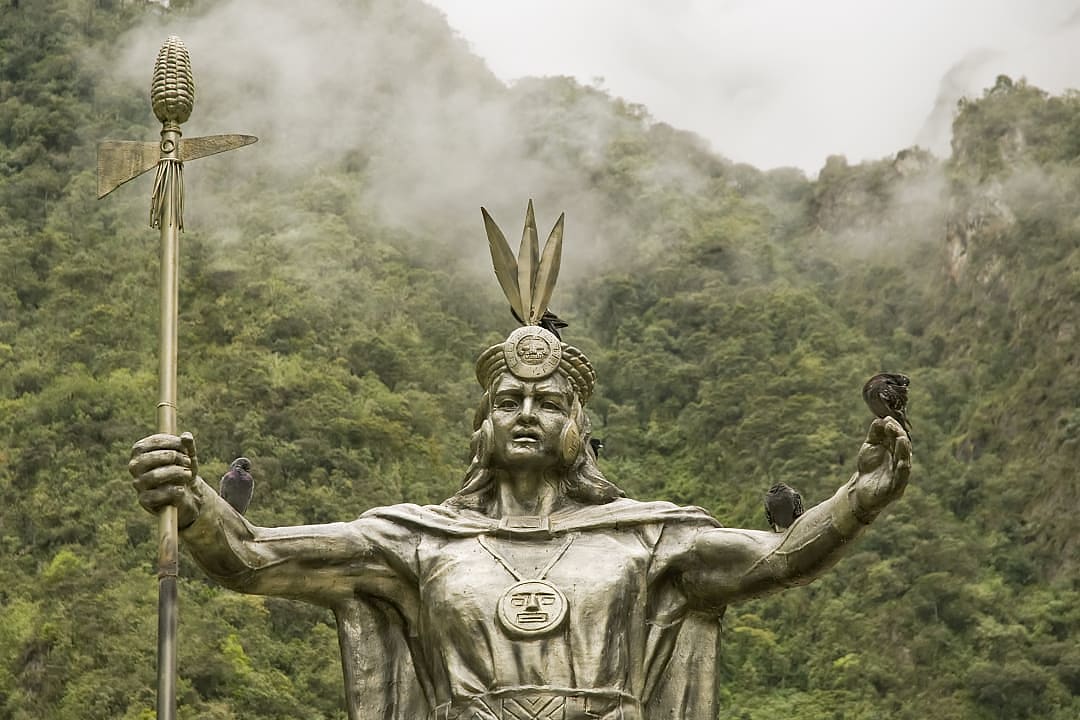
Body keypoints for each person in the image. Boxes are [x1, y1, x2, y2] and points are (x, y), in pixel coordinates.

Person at [129, 207, 911, 720]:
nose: (528, 414)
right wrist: (190, 497)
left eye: (549, 403)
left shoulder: (645, 539)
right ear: (482, 426)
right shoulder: (415, 542)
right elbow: (255, 558)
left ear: (580, 426)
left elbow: (779, 559)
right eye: (508, 402)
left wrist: (859, 500)